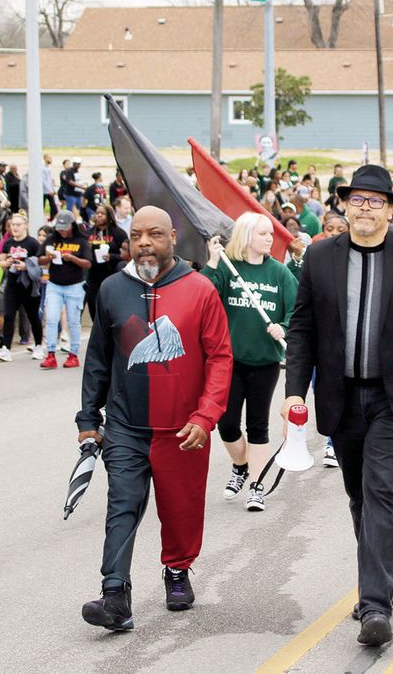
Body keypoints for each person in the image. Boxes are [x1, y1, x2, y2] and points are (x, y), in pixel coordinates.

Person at [282, 164, 393, 647]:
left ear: (391, 210)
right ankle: (375, 584)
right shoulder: (320, 258)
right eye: (357, 199)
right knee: (360, 495)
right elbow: (302, 328)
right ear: (344, 205)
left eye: (375, 201)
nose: (364, 208)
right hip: (341, 397)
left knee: (383, 493)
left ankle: (376, 603)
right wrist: (296, 390)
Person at [77, 205, 233, 631]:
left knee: (181, 509)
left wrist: (205, 417)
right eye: (137, 234)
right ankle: (115, 595)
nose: (144, 242)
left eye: (155, 235)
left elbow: (220, 358)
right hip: (126, 425)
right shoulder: (111, 289)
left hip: (182, 429)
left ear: (173, 239)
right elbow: (98, 360)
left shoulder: (200, 289)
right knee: (122, 504)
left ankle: (178, 569)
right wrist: (88, 418)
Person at [201, 213, 297, 512]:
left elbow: (298, 311)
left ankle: (256, 485)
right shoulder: (230, 269)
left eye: (270, 234)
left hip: (265, 362)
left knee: (258, 425)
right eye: (263, 234)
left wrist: (284, 326)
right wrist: (214, 262)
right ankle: (240, 465)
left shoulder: (280, 274)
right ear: (246, 236)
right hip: (229, 362)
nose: (270, 239)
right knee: (226, 423)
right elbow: (203, 296)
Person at [38, 211, 92, 369]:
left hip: (75, 285)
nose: (62, 231)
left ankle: (73, 354)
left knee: (73, 321)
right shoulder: (51, 239)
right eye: (59, 227)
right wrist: (48, 258)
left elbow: (88, 263)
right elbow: (39, 258)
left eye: (65, 227)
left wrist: (72, 258)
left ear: (72, 225)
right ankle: (50, 354)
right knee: (52, 318)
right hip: (54, 284)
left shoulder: (81, 241)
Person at [0, 213, 45, 363]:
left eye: (18, 225)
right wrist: (8, 263)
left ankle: (38, 346)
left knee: (32, 315)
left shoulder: (33, 243)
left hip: (28, 285)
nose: (15, 228)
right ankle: (6, 349)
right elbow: (1, 262)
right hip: (12, 284)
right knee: (9, 315)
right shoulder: (8, 243)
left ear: (25, 226)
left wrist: (26, 266)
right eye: (13, 225)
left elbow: (40, 263)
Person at [84, 204, 128, 322]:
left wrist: (111, 257)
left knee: (110, 311)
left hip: (111, 276)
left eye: (102, 213)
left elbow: (126, 255)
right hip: (93, 277)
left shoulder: (118, 233)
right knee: (93, 308)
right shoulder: (89, 233)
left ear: (109, 216)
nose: (99, 216)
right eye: (97, 213)